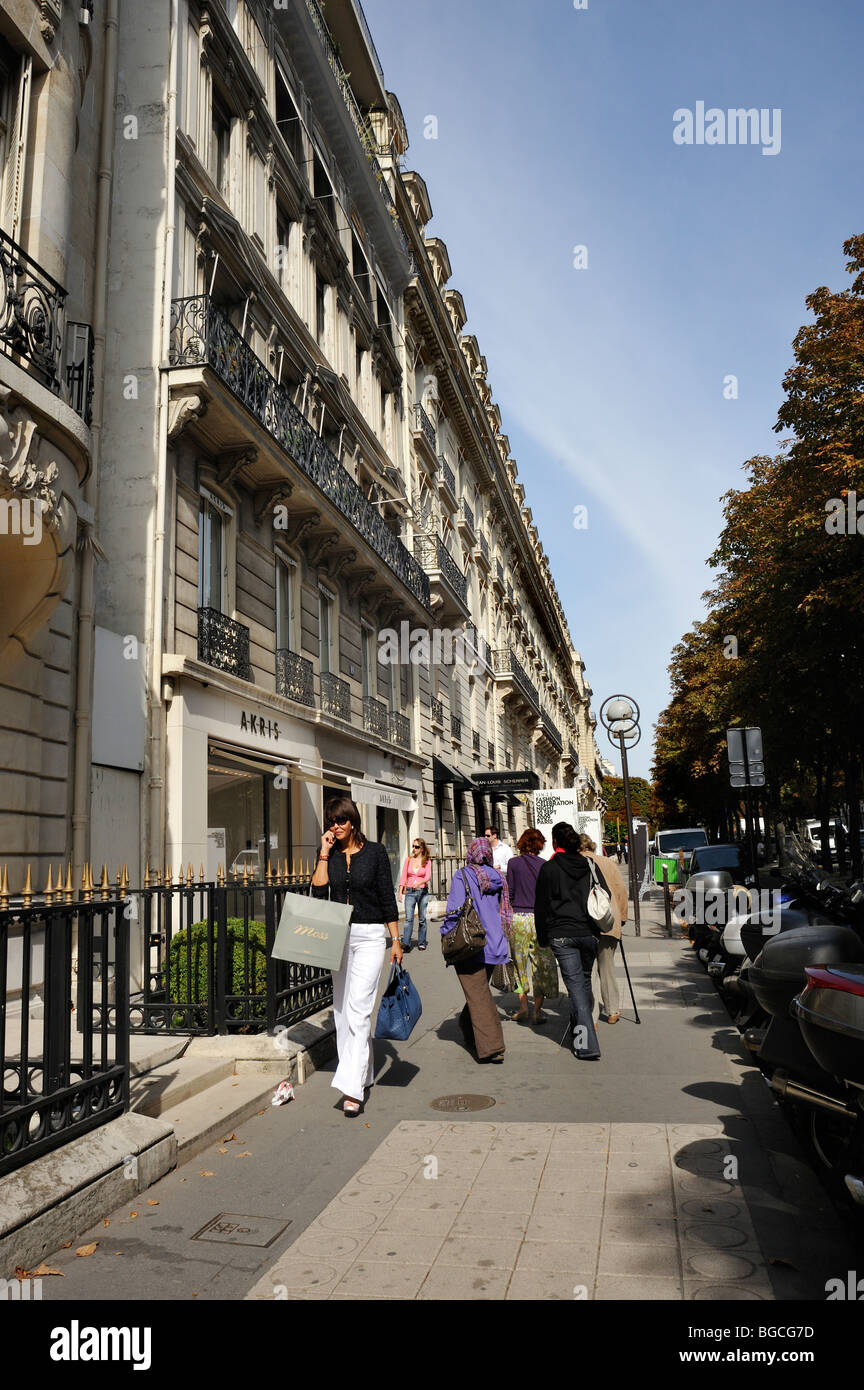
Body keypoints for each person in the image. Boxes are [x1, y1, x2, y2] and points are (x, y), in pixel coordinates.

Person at [311, 796, 401, 1115]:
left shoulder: (375, 852)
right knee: (342, 1011)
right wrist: (323, 852)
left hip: (372, 935)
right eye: (331, 821)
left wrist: (396, 940)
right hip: (339, 935)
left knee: (359, 1009)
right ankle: (364, 1073)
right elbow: (319, 892)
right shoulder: (330, 853)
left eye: (341, 821)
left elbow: (386, 897)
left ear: (353, 822)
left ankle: (352, 1089)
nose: (335, 826)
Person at [534, 821, 602, 1060]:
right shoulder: (589, 864)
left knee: (576, 989)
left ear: (555, 842)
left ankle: (586, 1044)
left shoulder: (549, 869)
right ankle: (578, 1026)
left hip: (561, 934)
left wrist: (542, 937)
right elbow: (605, 894)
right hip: (588, 932)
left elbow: (541, 907)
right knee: (583, 984)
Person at [442, 837, 512, 1063]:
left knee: (479, 995)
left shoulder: (463, 875)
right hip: (495, 943)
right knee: (478, 992)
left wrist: (446, 935)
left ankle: (492, 1047)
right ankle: (468, 1029)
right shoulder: (499, 877)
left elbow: (454, 910)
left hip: (471, 942)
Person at [506, 827, 559, 1024]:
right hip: (539, 918)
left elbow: (509, 892)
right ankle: (537, 1011)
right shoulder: (544, 865)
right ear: (539, 845)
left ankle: (522, 1007)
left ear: (521, 842)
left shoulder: (513, 863)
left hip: (519, 917)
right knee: (541, 964)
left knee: (519, 964)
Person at [579, 833, 628, 1025]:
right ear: (592, 846)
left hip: (584, 923)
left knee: (587, 971)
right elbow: (620, 891)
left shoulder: (575, 862)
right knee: (607, 968)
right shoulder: (607, 863)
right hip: (608, 920)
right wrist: (622, 918)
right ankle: (612, 1010)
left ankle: (590, 1015)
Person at [399, 837, 431, 951]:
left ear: (422, 848)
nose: (414, 849)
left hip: (423, 892)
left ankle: (421, 942)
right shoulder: (408, 860)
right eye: (413, 846)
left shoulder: (427, 861)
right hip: (410, 892)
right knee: (408, 919)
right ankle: (406, 943)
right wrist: (400, 891)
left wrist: (420, 883)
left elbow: (428, 876)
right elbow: (403, 876)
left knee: (422, 919)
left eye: (417, 846)